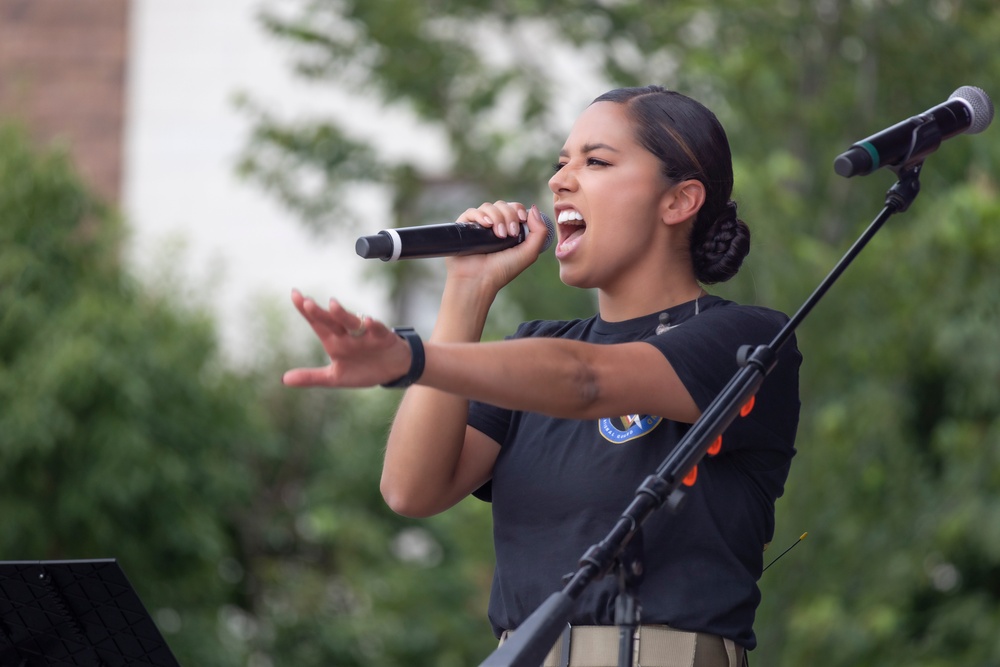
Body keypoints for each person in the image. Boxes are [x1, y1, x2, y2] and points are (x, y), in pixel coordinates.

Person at [283, 85, 801, 667]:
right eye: (561, 163)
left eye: (596, 161)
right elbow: (411, 489)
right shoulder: (534, 349)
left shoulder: (749, 338)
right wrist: (466, 290)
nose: (559, 181)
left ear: (680, 200)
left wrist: (412, 359)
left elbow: (589, 381)